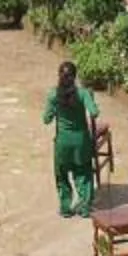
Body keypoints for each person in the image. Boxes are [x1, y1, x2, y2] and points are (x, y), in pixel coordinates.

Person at [42, 60, 100, 218]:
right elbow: (94, 113)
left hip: (62, 143)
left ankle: (66, 208)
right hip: (81, 142)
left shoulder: (53, 95)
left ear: (59, 76)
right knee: (84, 173)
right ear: (75, 77)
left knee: (62, 175)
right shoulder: (83, 93)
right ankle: (84, 207)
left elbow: (46, 119)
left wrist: (54, 109)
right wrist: (91, 100)